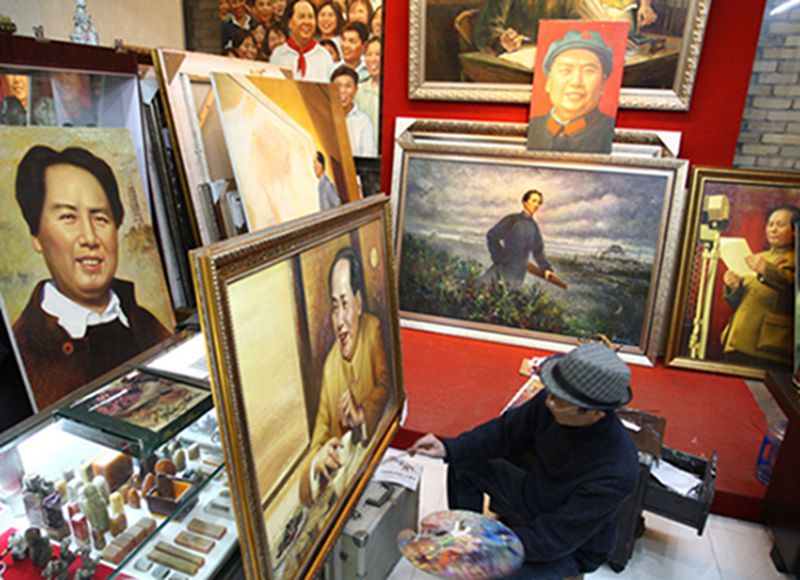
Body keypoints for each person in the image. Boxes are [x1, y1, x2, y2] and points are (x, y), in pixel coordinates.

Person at [410, 343, 639, 580]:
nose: (549, 403)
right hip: (536, 495)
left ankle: (476, 550)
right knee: (465, 460)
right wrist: (448, 447)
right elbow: (504, 431)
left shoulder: (616, 469)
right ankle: (466, 531)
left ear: (596, 413)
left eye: (560, 401)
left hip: (572, 548)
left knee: (487, 573)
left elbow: (555, 537)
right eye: (550, 393)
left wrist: (489, 547)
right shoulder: (552, 402)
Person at [12, 146, 171, 410]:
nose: (89, 238)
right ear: (36, 236)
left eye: (100, 218)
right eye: (68, 217)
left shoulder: (148, 325)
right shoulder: (25, 350)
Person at [300, 247, 389, 504]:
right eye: (334, 307)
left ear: (359, 303)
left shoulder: (373, 331)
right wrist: (319, 458)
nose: (339, 320)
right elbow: (319, 435)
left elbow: (385, 387)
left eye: (345, 304)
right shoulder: (331, 365)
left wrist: (362, 415)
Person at [720, 205, 800, 367]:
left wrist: (766, 270)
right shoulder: (758, 258)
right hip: (737, 340)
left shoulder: (794, 259)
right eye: (770, 224)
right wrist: (734, 288)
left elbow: (793, 286)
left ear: (795, 231)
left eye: (780, 225)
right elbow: (738, 302)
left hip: (769, 346)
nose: (773, 229)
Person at [527, 29, 616, 154]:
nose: (576, 82)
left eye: (588, 71)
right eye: (565, 70)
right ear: (548, 82)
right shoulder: (530, 127)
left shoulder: (612, 131)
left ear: (602, 84)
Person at [484, 189, 553, 290]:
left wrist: (546, 268)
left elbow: (538, 250)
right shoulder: (512, 219)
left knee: (508, 299)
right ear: (524, 202)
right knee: (482, 291)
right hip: (503, 266)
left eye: (539, 203)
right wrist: (499, 257)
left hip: (519, 273)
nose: (536, 205)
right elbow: (492, 236)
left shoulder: (534, 226)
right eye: (533, 201)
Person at [270, 0, 335, 82]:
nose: (307, 22)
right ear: (290, 23)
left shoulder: (324, 56)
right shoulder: (278, 55)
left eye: (311, 17)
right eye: (301, 17)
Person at [332, 65, 375, 157]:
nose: (342, 91)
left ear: (355, 90)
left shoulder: (364, 122)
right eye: (338, 86)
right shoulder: (324, 117)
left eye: (348, 86)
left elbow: (368, 157)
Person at [355, 36, 381, 149]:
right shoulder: (358, 91)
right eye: (369, 54)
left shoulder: (392, 94)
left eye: (378, 54)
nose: (373, 59)